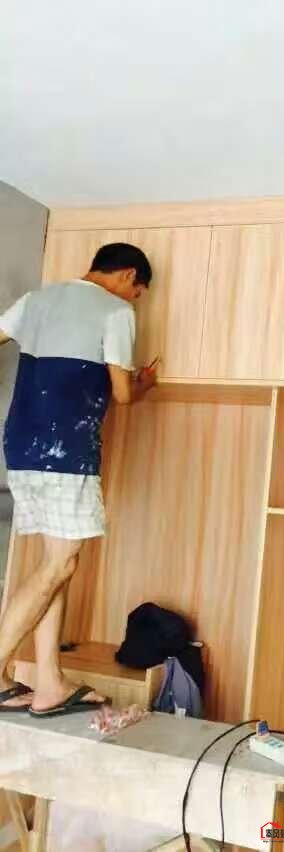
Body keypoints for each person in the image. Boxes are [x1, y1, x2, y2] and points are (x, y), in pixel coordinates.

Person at [0, 243, 157, 716]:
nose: (135, 300)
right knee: (59, 565)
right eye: (138, 291)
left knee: (56, 563)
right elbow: (122, 394)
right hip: (65, 449)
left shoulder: (36, 299)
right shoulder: (116, 311)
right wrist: (145, 384)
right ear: (127, 275)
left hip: (22, 442)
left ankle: (50, 683)